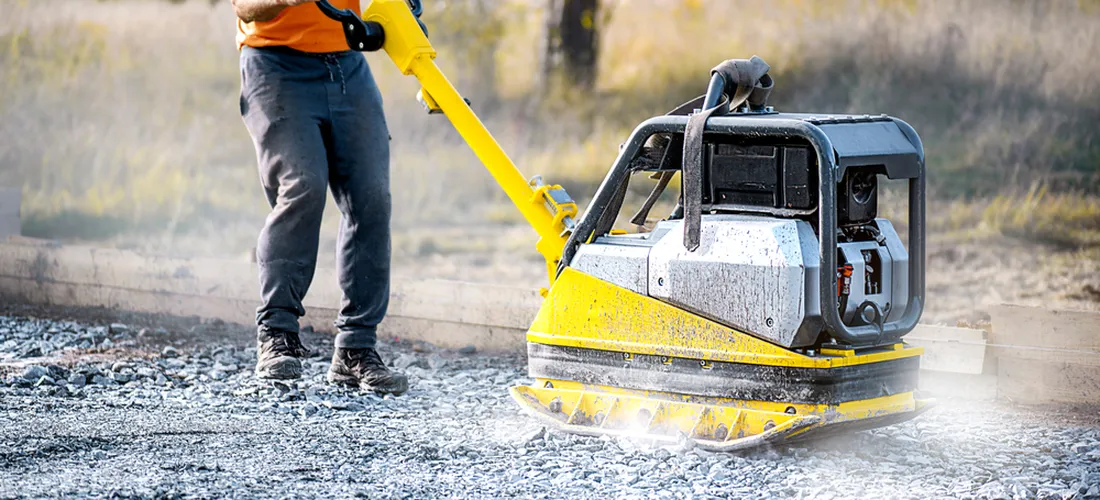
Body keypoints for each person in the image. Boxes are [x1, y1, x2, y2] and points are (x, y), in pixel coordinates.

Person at [232, 0, 407, 395]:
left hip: (346, 65)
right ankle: (276, 335)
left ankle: (356, 350)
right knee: (302, 186)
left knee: (372, 198)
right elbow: (246, 8)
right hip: (275, 65)